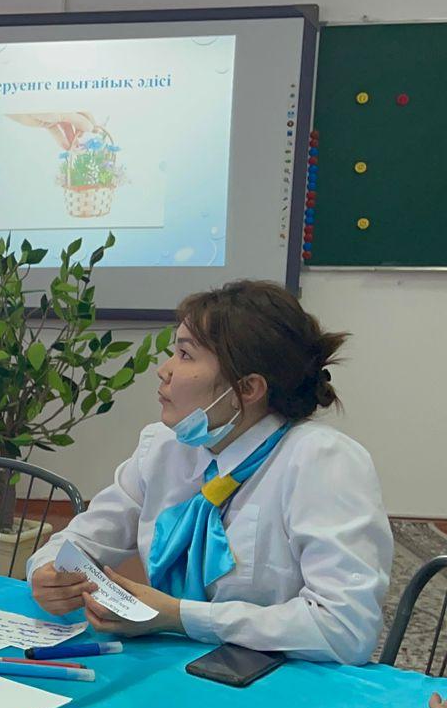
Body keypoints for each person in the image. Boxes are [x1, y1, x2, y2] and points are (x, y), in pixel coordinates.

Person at [26, 281, 393, 666]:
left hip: (281, 680)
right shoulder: (164, 446)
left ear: (247, 388)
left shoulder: (322, 461)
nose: (164, 370)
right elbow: (83, 538)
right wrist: (47, 570)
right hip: (174, 666)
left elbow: (346, 628)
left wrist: (181, 616)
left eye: (185, 355)